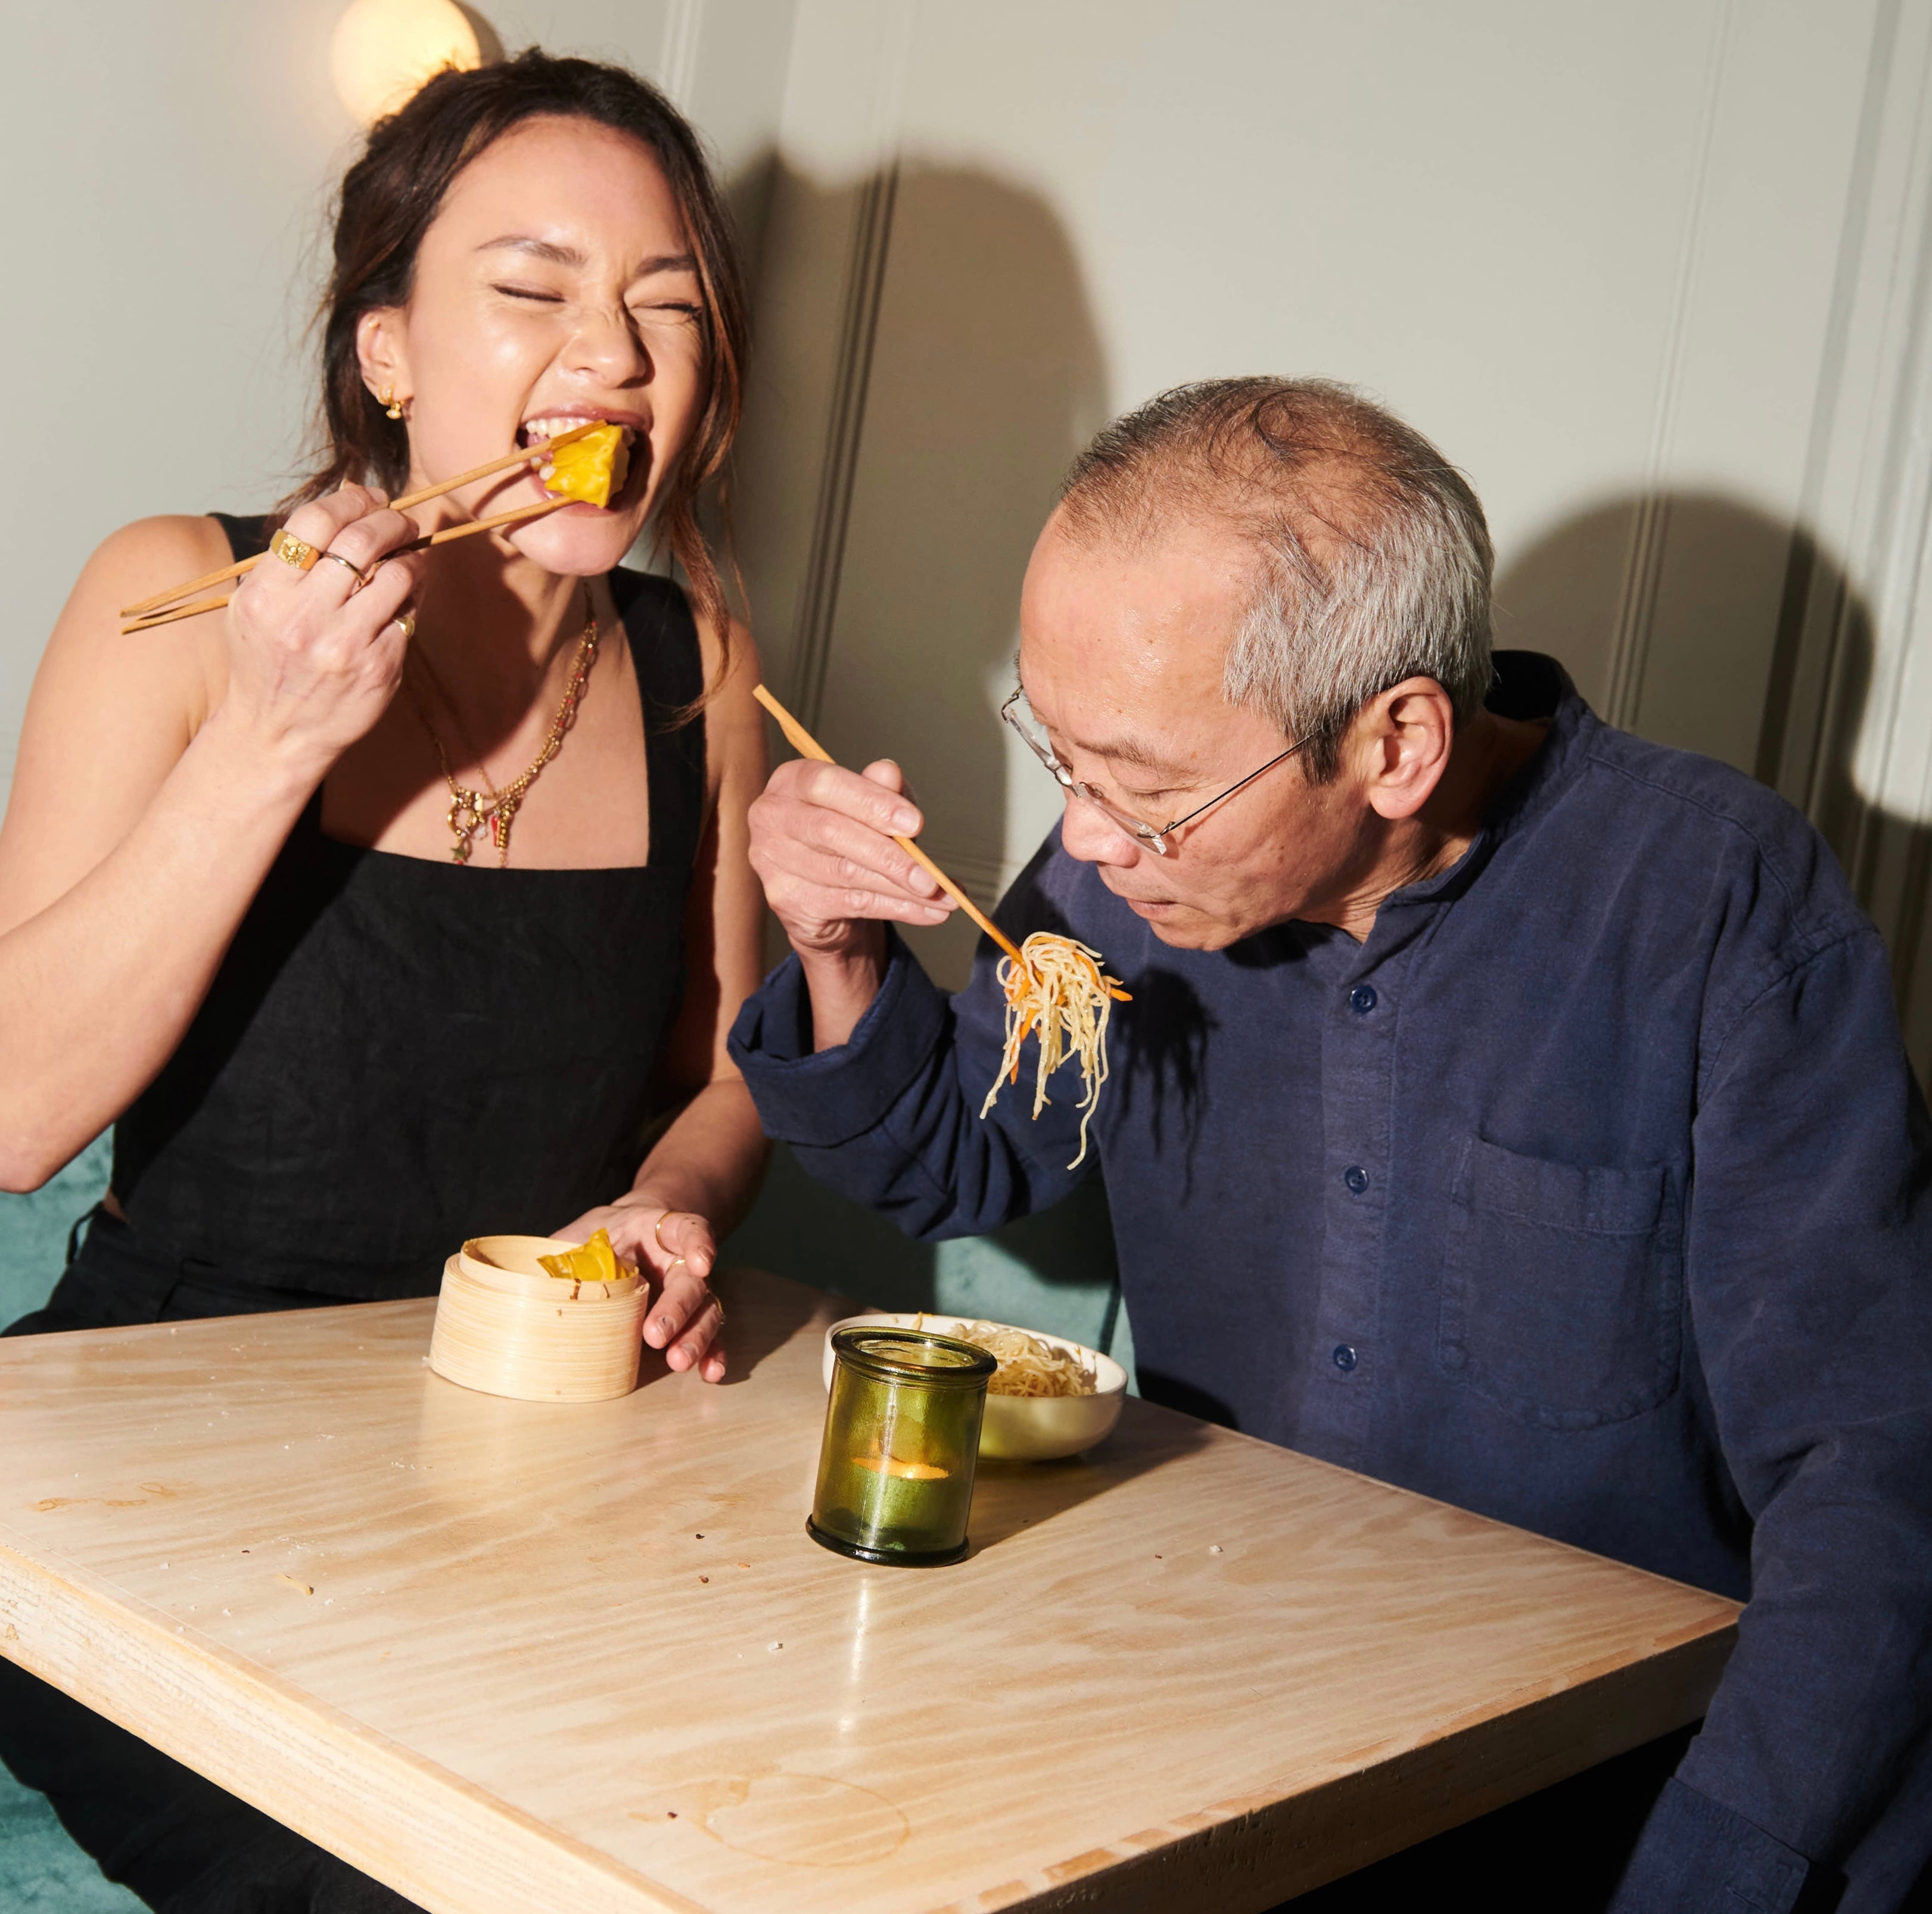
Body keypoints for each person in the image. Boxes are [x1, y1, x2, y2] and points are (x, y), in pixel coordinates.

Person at [733, 377, 1932, 1912]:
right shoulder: (1133, 870)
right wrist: (834, 943)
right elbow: (955, 1158)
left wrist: (1720, 1872)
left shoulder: (1713, 902)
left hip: (1593, 1796)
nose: (1084, 839)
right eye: (1061, 758)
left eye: (1146, 791)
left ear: (1399, 742)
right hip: (1209, 1717)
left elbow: (1876, 1473)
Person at [0, 51, 769, 1912]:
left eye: (665, 306)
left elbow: (734, 1069)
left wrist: (668, 1203)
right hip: (141, 1458)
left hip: (529, 1452)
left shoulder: (705, 663)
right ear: (389, 354)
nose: (612, 357)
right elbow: (14, 1118)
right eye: (532, 289)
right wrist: (268, 741)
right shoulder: (179, 598)